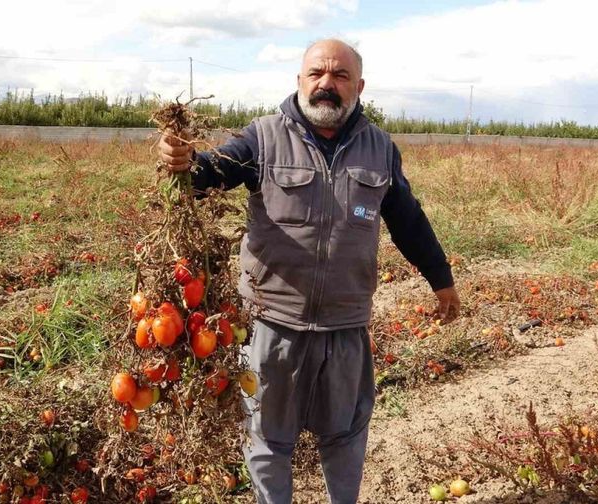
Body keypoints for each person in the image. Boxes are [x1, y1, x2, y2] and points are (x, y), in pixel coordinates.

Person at [157, 38, 461, 504]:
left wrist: (441, 278)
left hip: (345, 325)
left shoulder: (379, 148)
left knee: (344, 437)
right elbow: (213, 171)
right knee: (267, 438)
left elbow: (408, 220)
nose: (327, 84)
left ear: (359, 86)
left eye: (340, 76)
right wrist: (186, 165)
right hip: (271, 324)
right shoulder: (262, 137)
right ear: (299, 81)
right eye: (317, 73)